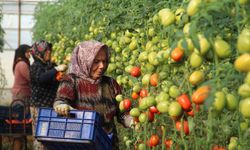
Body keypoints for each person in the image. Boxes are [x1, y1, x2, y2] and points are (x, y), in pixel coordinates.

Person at [53, 40, 132, 150]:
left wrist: (132, 121)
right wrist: (61, 105)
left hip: (107, 144)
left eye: (104, 61)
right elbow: (61, 100)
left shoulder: (111, 83)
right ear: (85, 60)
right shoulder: (71, 81)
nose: (102, 66)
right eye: (96, 61)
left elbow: (122, 113)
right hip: (80, 142)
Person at [29, 40, 67, 150]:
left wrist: (60, 77)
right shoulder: (35, 67)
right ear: (39, 53)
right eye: (46, 51)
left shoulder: (49, 65)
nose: (49, 52)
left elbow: (54, 77)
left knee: (51, 137)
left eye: (49, 50)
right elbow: (42, 79)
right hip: (39, 108)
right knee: (40, 137)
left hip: (52, 107)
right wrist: (56, 69)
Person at [11, 44, 31, 150]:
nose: (30, 54)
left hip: (20, 95)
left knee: (21, 128)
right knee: (19, 127)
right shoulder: (22, 64)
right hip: (21, 97)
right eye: (28, 52)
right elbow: (31, 78)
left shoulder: (19, 63)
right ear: (23, 52)